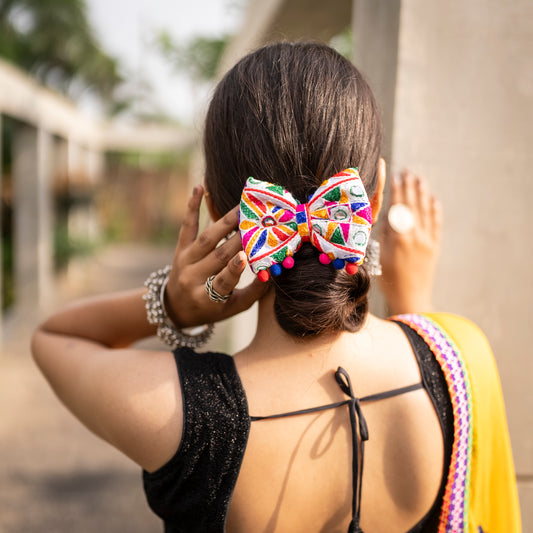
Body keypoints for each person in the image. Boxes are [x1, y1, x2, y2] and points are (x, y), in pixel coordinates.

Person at [31, 42, 520, 533]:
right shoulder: (458, 361)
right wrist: (419, 312)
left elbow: (52, 339)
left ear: (220, 207)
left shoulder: (176, 413)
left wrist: (173, 307)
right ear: (372, 194)